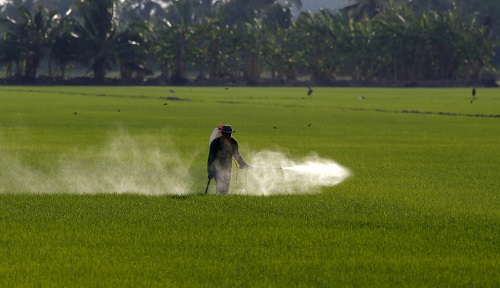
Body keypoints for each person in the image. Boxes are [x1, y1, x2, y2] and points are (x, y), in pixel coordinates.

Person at [207, 125, 250, 194]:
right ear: (222, 134)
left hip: (227, 168)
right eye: (225, 134)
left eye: (229, 134)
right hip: (216, 168)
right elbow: (211, 158)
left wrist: (244, 165)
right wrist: (210, 171)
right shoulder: (215, 143)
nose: (227, 136)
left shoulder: (233, 143)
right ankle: (218, 198)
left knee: (226, 187)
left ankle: (223, 199)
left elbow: (237, 156)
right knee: (220, 184)